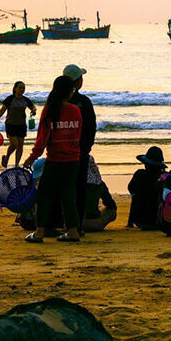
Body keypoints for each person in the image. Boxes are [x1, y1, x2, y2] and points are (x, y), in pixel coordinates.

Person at [22, 75, 82, 242]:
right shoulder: (75, 110)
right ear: (69, 92)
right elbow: (77, 135)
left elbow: (42, 139)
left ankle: (39, 232)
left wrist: (32, 157)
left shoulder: (50, 110)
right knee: (68, 197)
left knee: (44, 197)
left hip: (55, 160)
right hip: (73, 161)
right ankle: (73, 231)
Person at [63, 64, 97, 234]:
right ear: (77, 81)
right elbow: (91, 127)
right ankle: (77, 226)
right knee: (79, 190)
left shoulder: (57, 101)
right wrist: (86, 148)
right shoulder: (84, 102)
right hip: (79, 152)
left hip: (60, 153)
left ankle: (64, 224)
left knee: (64, 190)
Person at [0, 81, 37, 168]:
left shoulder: (25, 100)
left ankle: (16, 165)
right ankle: (6, 157)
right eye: (20, 88)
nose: (22, 89)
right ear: (15, 89)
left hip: (21, 125)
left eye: (23, 88)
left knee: (20, 145)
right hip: (10, 125)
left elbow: (33, 107)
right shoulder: (10, 99)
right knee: (14, 144)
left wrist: (34, 110)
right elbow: (2, 111)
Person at [127, 146, 167, 229]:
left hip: (140, 221)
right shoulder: (164, 177)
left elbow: (131, 188)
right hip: (159, 221)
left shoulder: (139, 174)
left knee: (135, 194)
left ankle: (130, 222)